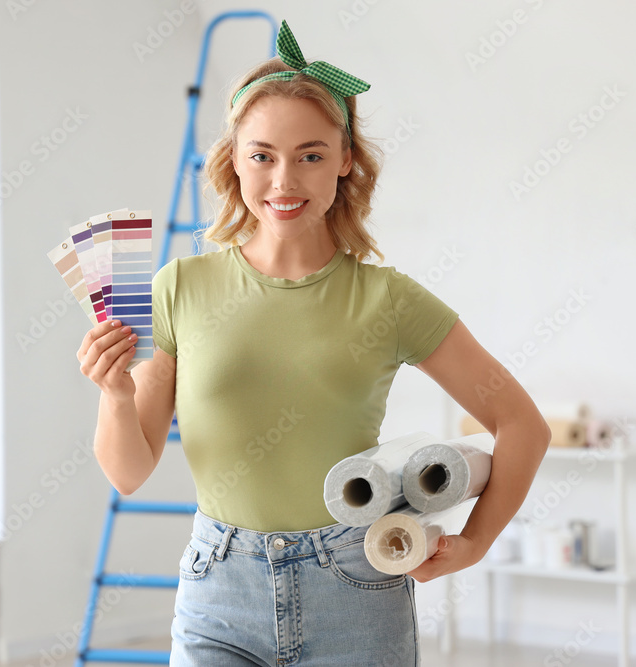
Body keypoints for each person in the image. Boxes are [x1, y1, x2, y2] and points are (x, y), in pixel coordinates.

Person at [76, 19, 550, 666]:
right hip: (219, 588)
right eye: (262, 155)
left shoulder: (389, 300)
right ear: (234, 159)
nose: (284, 180)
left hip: (355, 589)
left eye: (311, 155)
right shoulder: (180, 287)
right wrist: (113, 392)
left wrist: (474, 541)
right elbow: (128, 470)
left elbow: (523, 424)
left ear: (345, 159)